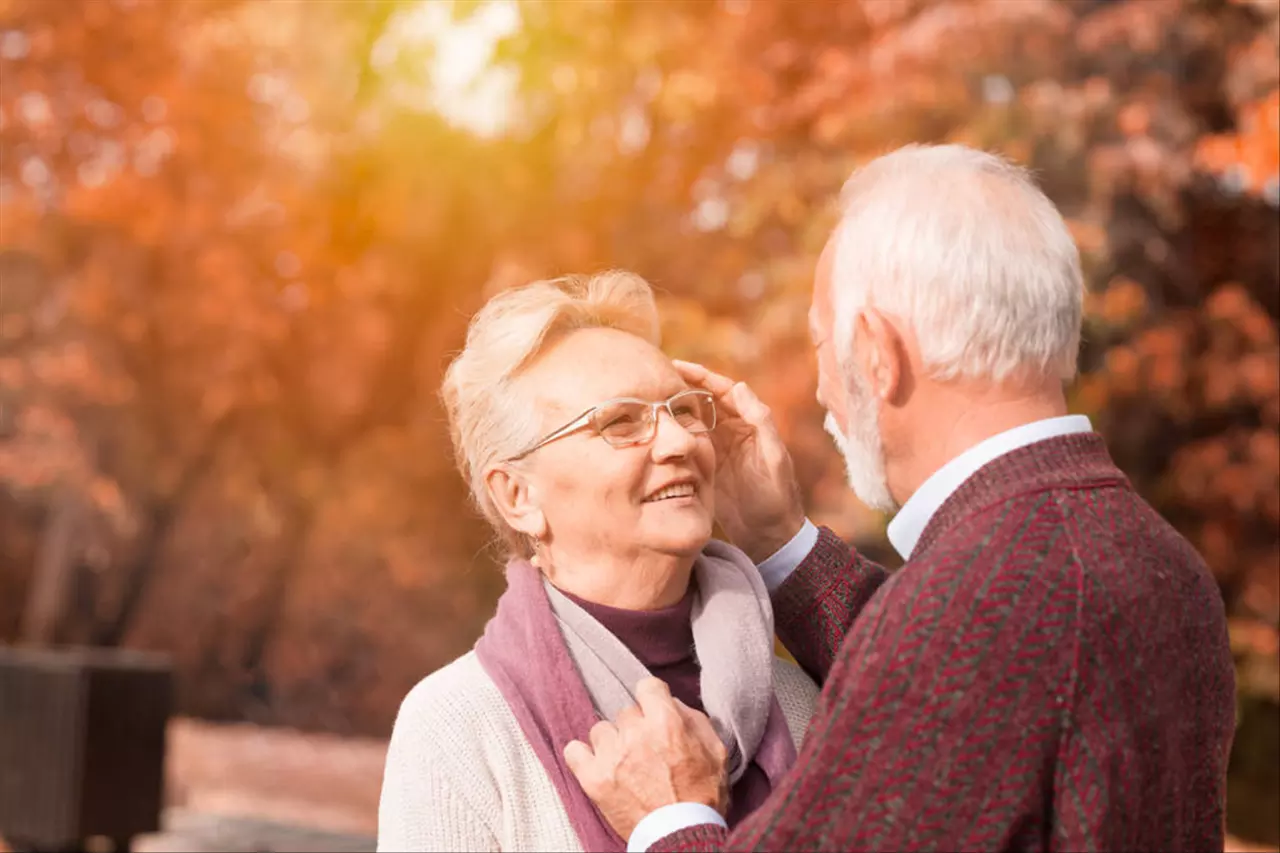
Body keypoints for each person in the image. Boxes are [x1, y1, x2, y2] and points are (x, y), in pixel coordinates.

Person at [562, 144, 1238, 852]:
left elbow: (962, 654)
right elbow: (975, 718)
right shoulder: (1156, 557)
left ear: (877, 354)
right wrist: (781, 540)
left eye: (822, 343)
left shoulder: (979, 605)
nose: (824, 388)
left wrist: (673, 817)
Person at [375, 271, 821, 852]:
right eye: (619, 422)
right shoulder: (460, 728)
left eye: (683, 410)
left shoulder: (797, 699)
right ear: (518, 496)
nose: (680, 443)